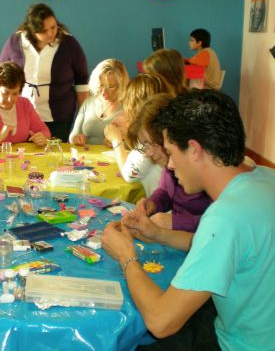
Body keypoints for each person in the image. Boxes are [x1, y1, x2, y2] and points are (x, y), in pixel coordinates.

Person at [102, 89, 275, 350]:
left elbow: (161, 322)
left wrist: (126, 256)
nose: (169, 165)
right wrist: (158, 234)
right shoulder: (264, 177)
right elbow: (225, 248)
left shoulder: (225, 217)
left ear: (194, 149)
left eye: (171, 152)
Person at [0, 3, 89, 142]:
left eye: (53, 27)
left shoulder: (69, 44)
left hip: (59, 115)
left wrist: (84, 118)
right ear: (32, 31)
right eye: (43, 31)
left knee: (54, 154)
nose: (50, 33)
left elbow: (82, 82)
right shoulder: (15, 42)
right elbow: (2, 77)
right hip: (22, 114)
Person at [126, 94, 212, 232]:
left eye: (151, 144)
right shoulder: (169, 165)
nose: (148, 153)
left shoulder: (204, 171)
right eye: (144, 146)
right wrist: (153, 203)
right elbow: (165, 192)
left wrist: (176, 222)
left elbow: (219, 225)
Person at [104, 73, 170, 196]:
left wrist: (116, 140)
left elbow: (129, 174)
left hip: (163, 210)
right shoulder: (161, 131)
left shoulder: (152, 141)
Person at [69, 59, 129, 146]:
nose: (104, 92)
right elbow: (73, 136)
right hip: (87, 157)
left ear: (121, 85)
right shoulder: (88, 103)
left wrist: (119, 143)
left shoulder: (128, 106)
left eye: (110, 87)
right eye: (101, 85)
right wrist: (75, 138)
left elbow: (137, 144)